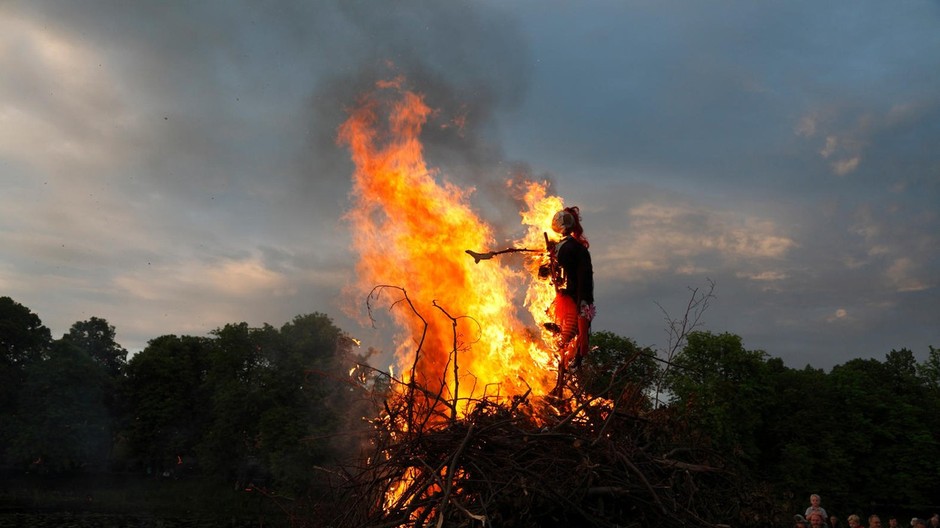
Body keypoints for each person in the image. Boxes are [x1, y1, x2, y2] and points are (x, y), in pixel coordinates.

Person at [547, 206, 595, 370]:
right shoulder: (574, 248)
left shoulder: (570, 248)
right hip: (575, 301)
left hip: (573, 302)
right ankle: (567, 366)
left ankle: (566, 367)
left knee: (565, 343)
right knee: (566, 344)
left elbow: (583, 284)